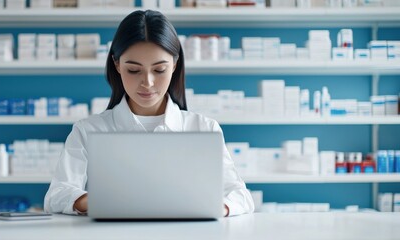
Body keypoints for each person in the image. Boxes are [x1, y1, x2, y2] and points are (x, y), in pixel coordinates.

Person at [44, 10, 254, 217]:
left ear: (174, 65)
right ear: (117, 65)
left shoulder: (204, 129)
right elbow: (56, 195)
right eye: (134, 70)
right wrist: (101, 200)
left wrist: (216, 206)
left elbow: (240, 195)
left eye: (159, 70)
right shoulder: (88, 130)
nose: (148, 82)